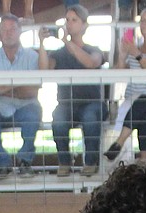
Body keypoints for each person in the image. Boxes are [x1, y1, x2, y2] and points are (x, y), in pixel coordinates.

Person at [39, 5, 106, 178]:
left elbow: (91, 63)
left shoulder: (94, 49)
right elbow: (44, 69)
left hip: (92, 103)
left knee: (90, 118)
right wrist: (41, 43)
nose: (69, 24)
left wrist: (67, 42)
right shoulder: (58, 53)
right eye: (67, 20)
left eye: (74, 20)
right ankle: (64, 162)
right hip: (66, 104)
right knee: (58, 120)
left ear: (84, 25)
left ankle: (91, 162)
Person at [105, 7, 146, 164]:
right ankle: (145, 158)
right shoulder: (135, 49)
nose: (144, 24)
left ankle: (119, 142)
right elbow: (119, 73)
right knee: (143, 110)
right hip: (133, 99)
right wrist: (122, 55)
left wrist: (137, 54)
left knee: (145, 101)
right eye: (142, 21)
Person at [0, 14, 41, 179]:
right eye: (4, 30)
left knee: (33, 115)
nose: (8, 33)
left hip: (26, 106)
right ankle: (3, 162)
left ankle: (25, 161)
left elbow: (33, 91)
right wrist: (16, 86)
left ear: (20, 31)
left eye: (12, 29)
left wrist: (2, 88)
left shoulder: (32, 56)